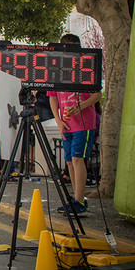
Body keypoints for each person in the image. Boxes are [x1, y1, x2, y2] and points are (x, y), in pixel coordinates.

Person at [48, 34, 101, 215]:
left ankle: (79, 200)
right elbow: (53, 98)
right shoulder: (57, 71)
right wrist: (58, 121)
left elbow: (97, 95)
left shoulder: (86, 68)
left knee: (79, 160)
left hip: (84, 123)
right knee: (69, 162)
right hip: (67, 124)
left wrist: (81, 107)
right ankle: (76, 199)